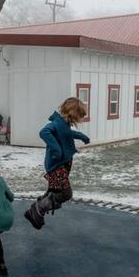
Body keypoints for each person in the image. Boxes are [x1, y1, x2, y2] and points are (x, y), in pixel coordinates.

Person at [24, 96, 90, 230]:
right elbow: (44, 132)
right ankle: (38, 208)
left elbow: (67, 134)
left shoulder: (64, 124)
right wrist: (57, 149)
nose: (79, 120)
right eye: (79, 116)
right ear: (73, 113)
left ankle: (35, 213)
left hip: (62, 164)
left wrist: (81, 136)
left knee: (54, 191)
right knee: (66, 194)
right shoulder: (56, 123)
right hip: (56, 166)